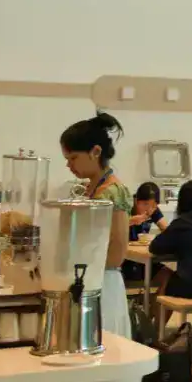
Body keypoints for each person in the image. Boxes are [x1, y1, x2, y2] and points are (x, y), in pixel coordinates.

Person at [61, 113, 133, 337]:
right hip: (88, 277)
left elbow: (117, 253)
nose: (68, 165)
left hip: (104, 281)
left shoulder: (113, 191)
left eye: (73, 158)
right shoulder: (90, 190)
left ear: (95, 152)